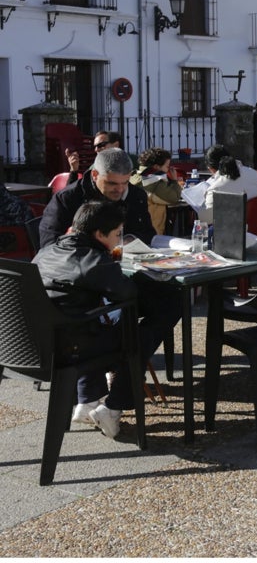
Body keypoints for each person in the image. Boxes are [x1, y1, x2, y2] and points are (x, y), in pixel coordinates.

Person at [33, 201, 142, 439]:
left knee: (84, 317)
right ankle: (113, 407)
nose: (118, 240)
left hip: (34, 346)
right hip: (70, 348)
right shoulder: (92, 259)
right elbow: (128, 293)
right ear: (99, 234)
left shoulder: (46, 251)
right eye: (116, 234)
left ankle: (88, 400)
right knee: (138, 337)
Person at [40, 147, 155, 247]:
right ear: (95, 175)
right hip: (80, 265)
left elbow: (148, 233)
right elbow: (49, 244)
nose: (120, 189)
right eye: (112, 183)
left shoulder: (136, 195)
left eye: (125, 182)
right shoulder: (67, 199)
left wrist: (130, 240)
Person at [197, 144, 257, 224]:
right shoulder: (255, 174)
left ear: (211, 169)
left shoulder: (215, 189)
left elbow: (206, 220)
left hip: (235, 234)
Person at [130, 147, 182, 236]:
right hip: (153, 230)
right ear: (157, 167)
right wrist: (174, 180)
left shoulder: (134, 176)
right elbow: (175, 197)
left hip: (135, 229)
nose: (168, 169)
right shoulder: (156, 180)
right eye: (167, 166)